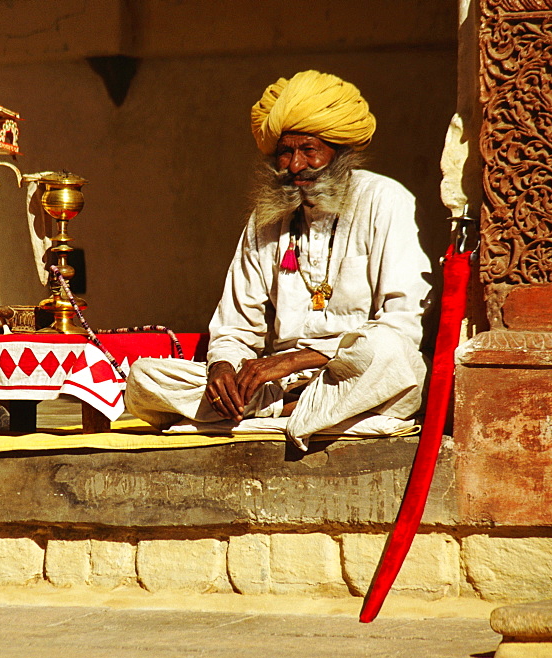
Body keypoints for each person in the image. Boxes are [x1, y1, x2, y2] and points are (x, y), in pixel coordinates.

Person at [124, 69, 432, 450]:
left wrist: (295, 361)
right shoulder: (269, 215)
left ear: (338, 152)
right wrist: (222, 368)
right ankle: (295, 412)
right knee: (144, 377)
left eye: (309, 150)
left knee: (390, 353)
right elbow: (235, 327)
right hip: (274, 386)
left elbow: (401, 324)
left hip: (350, 374)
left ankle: (276, 416)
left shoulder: (383, 199)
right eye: (286, 152)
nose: (295, 166)